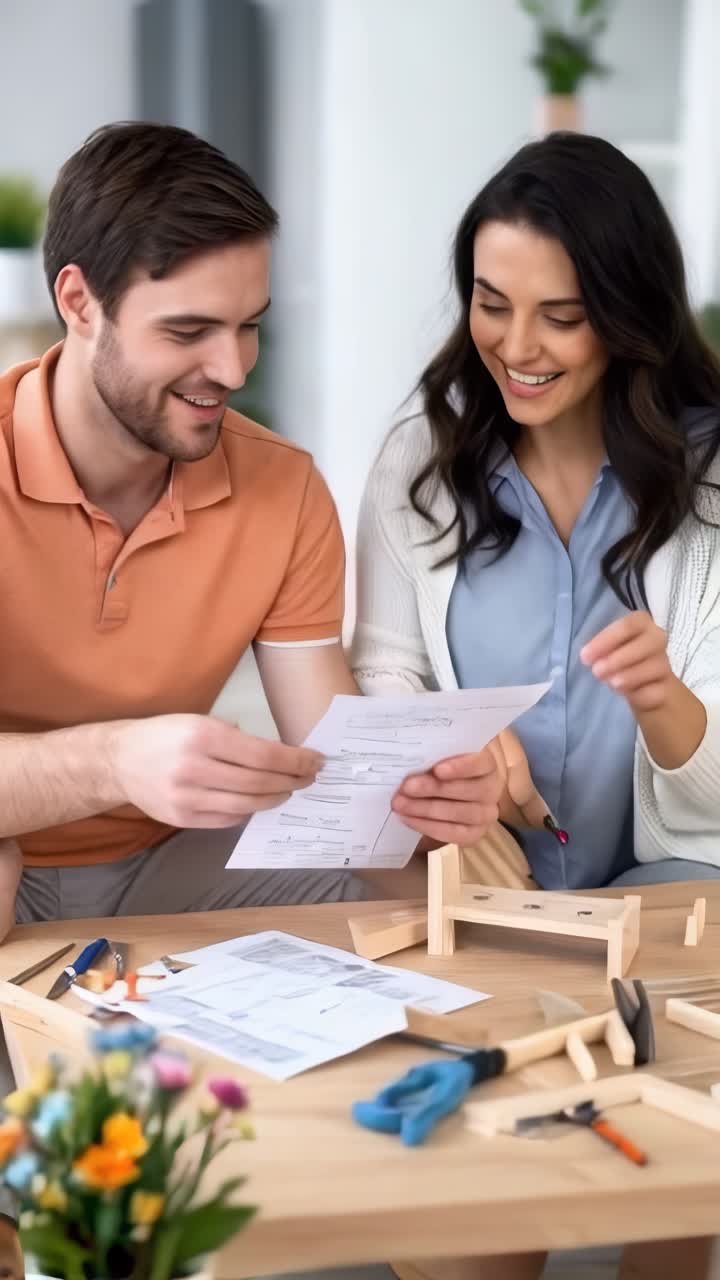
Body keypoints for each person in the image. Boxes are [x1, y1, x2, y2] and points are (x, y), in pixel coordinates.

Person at [0, 122, 505, 938]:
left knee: (417, 891)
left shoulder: (283, 489)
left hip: (175, 863)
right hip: (10, 850)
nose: (234, 370)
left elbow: (336, 770)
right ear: (79, 302)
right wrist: (118, 762)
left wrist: (423, 798)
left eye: (248, 325)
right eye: (189, 331)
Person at [353, 131, 720, 905]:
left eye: (562, 316)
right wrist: (447, 742)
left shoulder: (708, 486)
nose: (517, 347)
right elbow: (383, 670)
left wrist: (662, 699)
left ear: (628, 314)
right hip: (484, 887)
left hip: (675, 896)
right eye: (492, 305)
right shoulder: (418, 465)